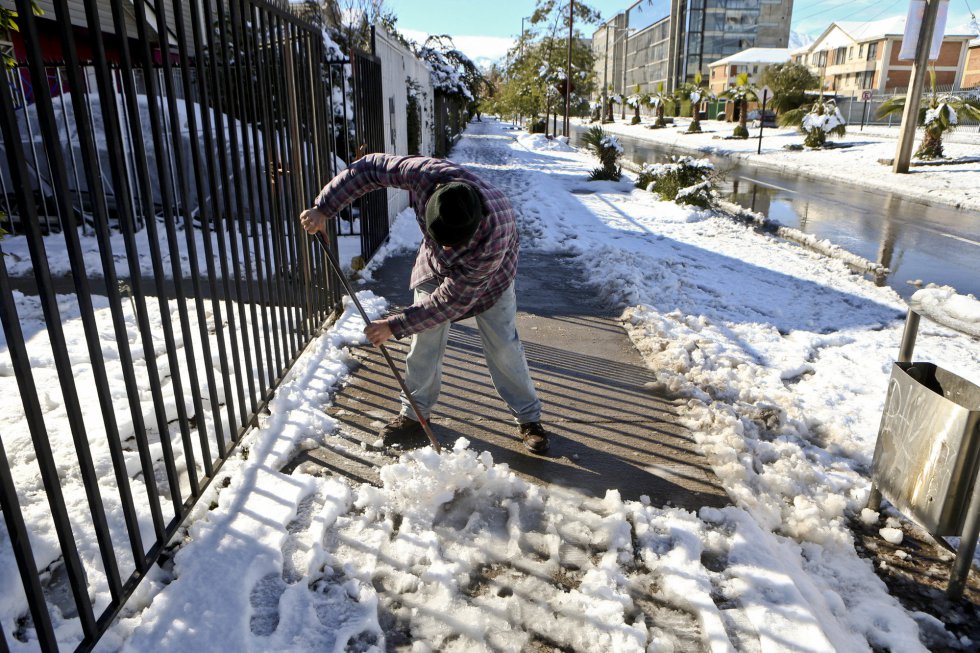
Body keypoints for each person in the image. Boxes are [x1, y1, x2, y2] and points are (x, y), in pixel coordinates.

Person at [299, 153, 549, 454]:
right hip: (432, 267)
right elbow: (366, 169)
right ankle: (415, 415)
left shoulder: (494, 236)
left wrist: (394, 325)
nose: (445, 246)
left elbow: (450, 301)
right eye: (438, 236)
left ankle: (528, 418)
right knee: (424, 342)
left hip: (492, 280)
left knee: (503, 346)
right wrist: (325, 208)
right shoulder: (425, 175)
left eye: (451, 242)